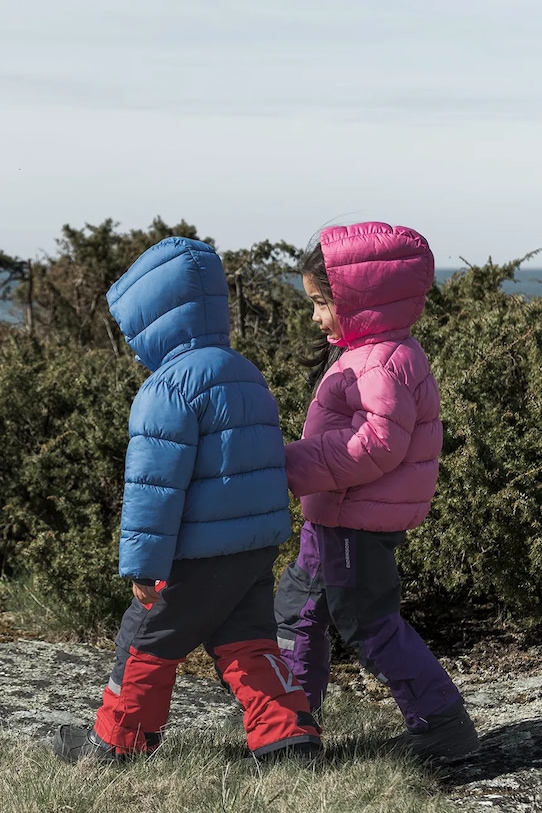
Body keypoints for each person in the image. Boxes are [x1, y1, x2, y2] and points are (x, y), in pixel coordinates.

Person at [53, 236, 321, 763]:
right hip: (252, 549)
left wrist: (143, 565)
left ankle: (117, 743)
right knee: (248, 641)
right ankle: (289, 738)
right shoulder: (246, 373)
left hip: (193, 555)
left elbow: (154, 489)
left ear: (155, 320)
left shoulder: (166, 389)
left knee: (143, 640)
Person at [274, 221, 480, 761]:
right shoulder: (369, 351)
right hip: (334, 516)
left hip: (354, 522)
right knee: (297, 610)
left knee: (368, 623)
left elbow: (375, 444)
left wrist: (288, 465)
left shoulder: (381, 360)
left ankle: (442, 725)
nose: (314, 316)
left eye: (320, 303)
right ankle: (291, 726)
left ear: (357, 299)